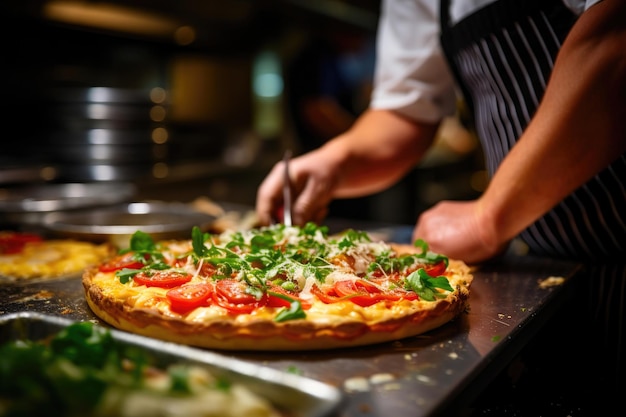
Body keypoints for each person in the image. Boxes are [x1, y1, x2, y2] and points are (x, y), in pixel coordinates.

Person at [256, 0, 626, 412]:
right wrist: (335, 160)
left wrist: (490, 216)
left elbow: (614, 41)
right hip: (546, 261)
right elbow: (405, 111)